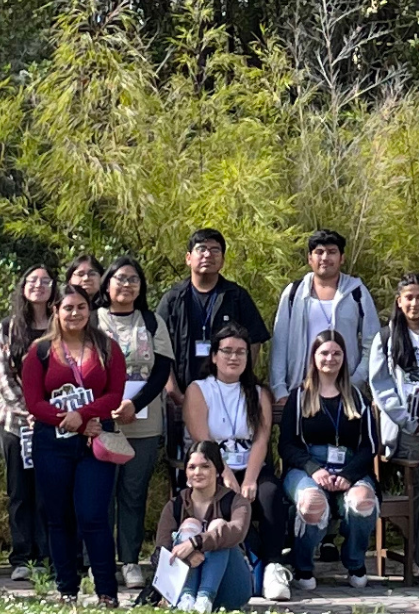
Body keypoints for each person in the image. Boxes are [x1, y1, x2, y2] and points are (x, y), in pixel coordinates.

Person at [21, 285, 127, 606]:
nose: (75, 313)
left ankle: (107, 590)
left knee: (93, 515)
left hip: (95, 440)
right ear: (56, 311)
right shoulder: (38, 352)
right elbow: (34, 402)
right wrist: (66, 419)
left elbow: (114, 394)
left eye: (81, 307)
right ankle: (67, 588)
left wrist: (82, 416)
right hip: (52, 443)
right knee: (59, 517)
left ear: (89, 310)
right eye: (68, 308)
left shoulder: (107, 348)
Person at [155, 229, 272, 488]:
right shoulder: (173, 299)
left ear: (223, 259)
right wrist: (175, 392)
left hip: (231, 397)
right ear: (188, 258)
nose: (208, 254)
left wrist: (241, 378)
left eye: (215, 250)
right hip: (184, 394)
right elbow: (158, 349)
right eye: (201, 249)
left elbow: (254, 341)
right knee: (191, 468)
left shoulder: (236, 296)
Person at [184, 325, 291, 601]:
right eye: (227, 351)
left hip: (250, 466)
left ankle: (273, 566)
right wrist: (226, 474)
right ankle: (248, 564)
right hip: (212, 468)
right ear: (215, 356)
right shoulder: (199, 389)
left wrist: (251, 478)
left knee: (270, 494)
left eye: (241, 352)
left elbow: (260, 440)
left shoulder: (258, 393)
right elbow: (203, 440)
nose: (234, 357)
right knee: (225, 501)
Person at [96, 257, 176, 588]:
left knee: (133, 492)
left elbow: (161, 370)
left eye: (134, 279)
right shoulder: (92, 319)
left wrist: (135, 403)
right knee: (100, 493)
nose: (127, 285)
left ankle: (130, 560)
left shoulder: (152, 321)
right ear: (107, 284)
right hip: (100, 422)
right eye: (120, 278)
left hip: (142, 420)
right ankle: (98, 561)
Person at [367, 274, 419, 586]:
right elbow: (381, 386)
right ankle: (414, 553)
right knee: (413, 492)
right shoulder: (386, 338)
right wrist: (407, 420)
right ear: (399, 302)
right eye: (409, 298)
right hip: (404, 429)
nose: (414, 304)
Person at [281, 330, 380, 590]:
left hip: (350, 468)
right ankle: (303, 567)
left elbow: (370, 446)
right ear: (314, 357)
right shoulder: (299, 396)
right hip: (306, 467)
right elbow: (287, 446)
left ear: (344, 358)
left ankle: (355, 561)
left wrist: (348, 474)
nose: (330, 358)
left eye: (337, 353)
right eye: (324, 353)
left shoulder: (358, 397)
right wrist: (314, 470)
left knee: (363, 502)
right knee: (312, 503)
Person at [0, 266, 58, 581]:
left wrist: (47, 411)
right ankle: (21, 556)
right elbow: (1, 375)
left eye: (45, 281)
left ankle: (46, 555)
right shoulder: (7, 327)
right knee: (19, 491)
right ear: (23, 287)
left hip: (54, 423)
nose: (39, 286)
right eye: (33, 280)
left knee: (48, 491)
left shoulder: (61, 325)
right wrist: (28, 410)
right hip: (15, 424)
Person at [270, 230, 379, 405]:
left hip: (346, 392)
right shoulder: (294, 293)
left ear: (342, 258)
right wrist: (280, 389)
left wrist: (356, 380)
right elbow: (280, 344)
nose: (325, 257)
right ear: (309, 258)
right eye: (319, 252)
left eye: (332, 252)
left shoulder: (357, 293)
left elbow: (372, 342)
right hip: (301, 390)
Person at [156, 442, 255, 612]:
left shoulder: (237, 501)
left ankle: (205, 598)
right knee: (189, 524)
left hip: (230, 587)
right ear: (186, 472)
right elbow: (159, 553)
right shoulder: (175, 505)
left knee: (219, 527)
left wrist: (195, 543)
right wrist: (187, 556)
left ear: (217, 470)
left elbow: (237, 532)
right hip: (182, 585)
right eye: (192, 467)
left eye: (205, 467)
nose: (197, 473)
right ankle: (187, 599)